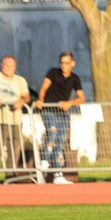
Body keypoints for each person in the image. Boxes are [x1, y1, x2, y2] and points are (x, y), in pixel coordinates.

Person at [34, 52, 84, 184]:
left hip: (62, 112)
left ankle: (57, 173)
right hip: (49, 109)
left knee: (60, 141)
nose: (63, 66)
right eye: (62, 62)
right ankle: (44, 160)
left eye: (67, 63)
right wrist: (40, 100)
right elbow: (44, 87)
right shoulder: (53, 73)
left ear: (72, 64)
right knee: (52, 132)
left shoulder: (75, 78)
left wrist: (70, 103)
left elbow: (81, 97)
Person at [0, 55, 31, 179]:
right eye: (6, 65)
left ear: (15, 67)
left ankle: (10, 177)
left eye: (11, 66)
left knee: (14, 150)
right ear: (1, 65)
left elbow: (27, 96)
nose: (8, 68)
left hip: (15, 120)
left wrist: (21, 102)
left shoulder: (20, 80)